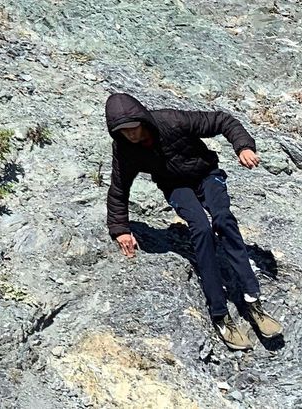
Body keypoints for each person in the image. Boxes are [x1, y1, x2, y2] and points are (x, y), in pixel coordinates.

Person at [105, 92, 282, 351]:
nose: (131, 135)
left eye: (134, 128)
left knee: (222, 219)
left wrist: (243, 146)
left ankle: (252, 301)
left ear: (142, 119)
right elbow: (119, 188)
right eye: (123, 131)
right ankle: (220, 315)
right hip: (175, 186)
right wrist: (120, 229)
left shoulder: (173, 120)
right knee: (201, 228)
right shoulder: (125, 149)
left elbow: (224, 121)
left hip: (206, 175)